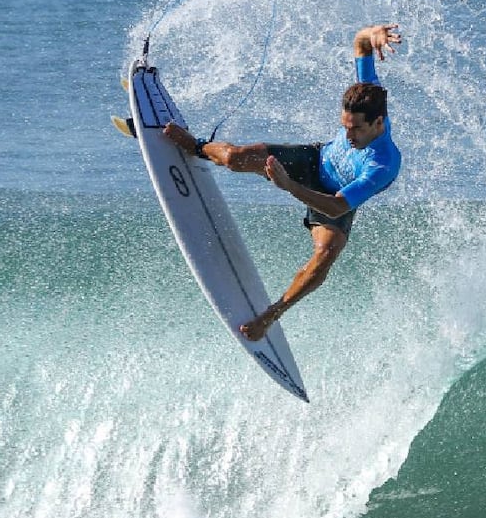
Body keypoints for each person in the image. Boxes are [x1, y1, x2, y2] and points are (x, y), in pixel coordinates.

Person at [164, 23, 403, 341]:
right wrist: (371, 34)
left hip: (334, 196)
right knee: (235, 157)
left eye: (356, 130)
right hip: (316, 160)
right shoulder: (369, 95)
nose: (348, 135)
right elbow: (360, 45)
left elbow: (336, 207)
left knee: (325, 257)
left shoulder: (383, 164)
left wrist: (289, 185)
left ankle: (271, 315)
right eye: (344, 127)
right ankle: (196, 147)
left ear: (378, 122)